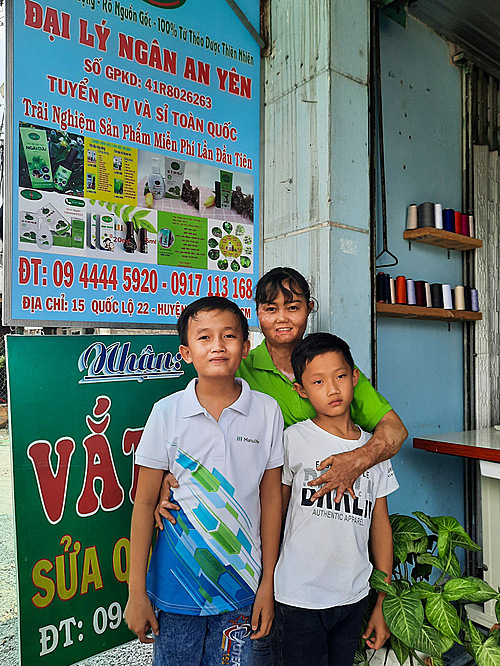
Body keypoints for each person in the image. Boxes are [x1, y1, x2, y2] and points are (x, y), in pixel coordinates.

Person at [124, 296, 284, 666]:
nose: (217, 346)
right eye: (204, 337)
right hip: (176, 589)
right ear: (186, 352)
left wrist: (268, 585)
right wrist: (136, 592)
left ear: (246, 347)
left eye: (229, 335)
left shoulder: (266, 411)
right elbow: (144, 504)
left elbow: (271, 499)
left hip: (243, 586)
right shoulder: (166, 413)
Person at [272, 332, 398, 665]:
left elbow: (380, 526)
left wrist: (382, 601)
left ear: (354, 377)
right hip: (298, 597)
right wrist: (265, 584)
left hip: (353, 596)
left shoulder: (375, 449)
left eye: (340, 376)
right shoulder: (293, 440)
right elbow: (274, 514)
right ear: (301, 390)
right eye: (318, 382)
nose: (332, 389)